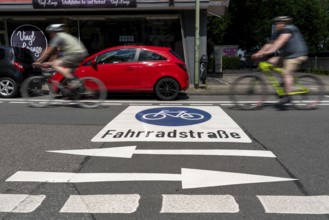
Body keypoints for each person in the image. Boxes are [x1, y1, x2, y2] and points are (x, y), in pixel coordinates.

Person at [252, 16, 308, 104]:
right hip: (286, 56)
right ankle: (284, 82)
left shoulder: (289, 29)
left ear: (285, 23)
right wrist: (258, 53)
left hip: (297, 55)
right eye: (277, 23)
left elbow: (280, 41)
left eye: (280, 22)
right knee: (270, 62)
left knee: (286, 73)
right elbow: (269, 44)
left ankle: (288, 96)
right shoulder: (276, 33)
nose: (278, 24)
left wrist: (269, 51)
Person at [34, 24, 88, 88]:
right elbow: (56, 53)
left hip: (75, 54)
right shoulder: (64, 36)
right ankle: (77, 89)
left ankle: (73, 81)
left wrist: (38, 61)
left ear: (54, 32)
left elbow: (48, 51)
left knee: (55, 65)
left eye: (50, 33)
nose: (50, 35)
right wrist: (49, 62)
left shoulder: (58, 37)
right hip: (80, 54)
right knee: (66, 73)